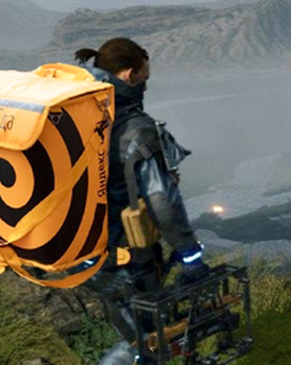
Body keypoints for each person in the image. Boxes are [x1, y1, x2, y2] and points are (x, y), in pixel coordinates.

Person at [74, 37, 209, 365]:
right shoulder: (136, 129)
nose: (145, 89)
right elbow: (162, 201)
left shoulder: (79, 114)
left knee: (135, 336)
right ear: (129, 75)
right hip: (126, 255)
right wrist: (191, 257)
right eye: (144, 81)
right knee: (145, 342)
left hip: (81, 252)